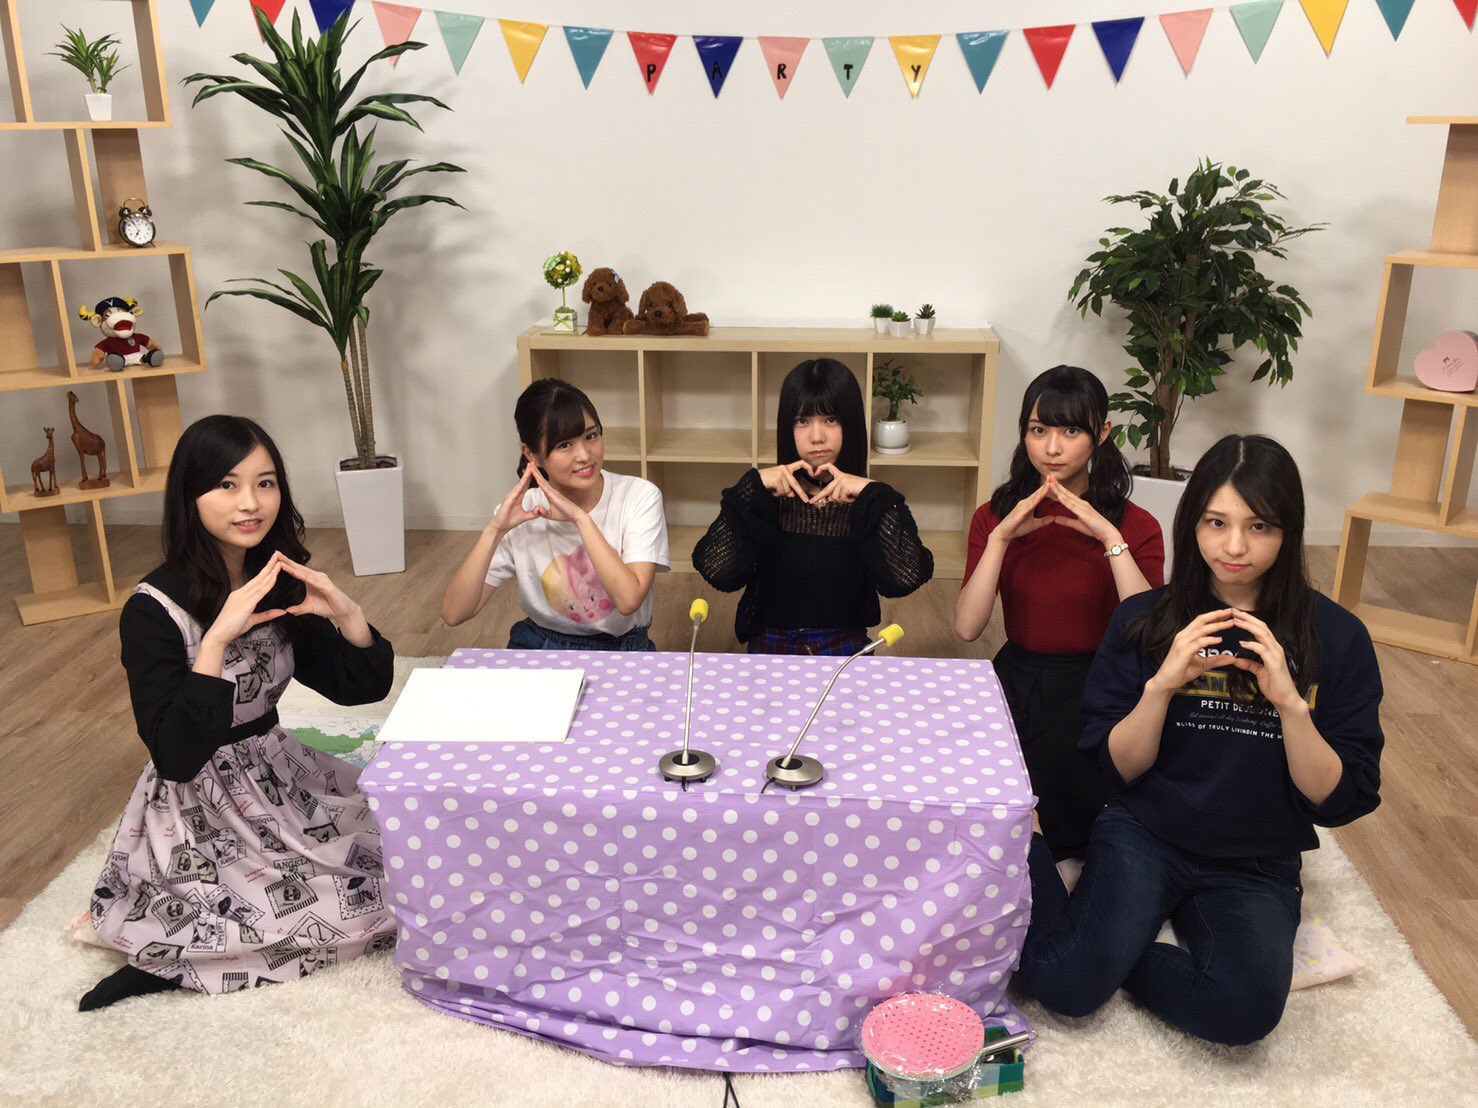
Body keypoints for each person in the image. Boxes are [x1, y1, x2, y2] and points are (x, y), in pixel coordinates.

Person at [1014, 434, 1384, 1045]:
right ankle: (1026, 845)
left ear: (1288, 531)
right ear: (1192, 524)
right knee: (1064, 983)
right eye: (1216, 522)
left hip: (1256, 858)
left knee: (1243, 1014)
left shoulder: (1338, 638)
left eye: (1259, 526)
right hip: (1146, 833)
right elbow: (1118, 768)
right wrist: (1161, 685)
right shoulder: (1142, 620)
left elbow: (1339, 799)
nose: (1234, 547)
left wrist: (1291, 706)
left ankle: (1120, 954)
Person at [81, 416, 396, 1010]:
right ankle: (170, 959)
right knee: (315, 909)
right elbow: (175, 754)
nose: (251, 503)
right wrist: (216, 642)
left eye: (265, 483)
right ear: (190, 495)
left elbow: (359, 689)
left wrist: (348, 616)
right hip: (199, 801)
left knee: (407, 852)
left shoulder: (274, 576)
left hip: (282, 772)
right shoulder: (152, 610)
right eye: (227, 485)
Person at [956, 365, 1163, 857]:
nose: (1052, 448)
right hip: (1020, 676)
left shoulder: (1138, 524)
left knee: (1095, 828)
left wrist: (1111, 539)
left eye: (1071, 431)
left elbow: (1149, 632)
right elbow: (966, 627)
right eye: (1038, 430)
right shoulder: (995, 516)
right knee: (995, 814)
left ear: (1102, 433)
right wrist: (1000, 540)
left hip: (1103, 680)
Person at [693, 358, 932, 654]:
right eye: (802, 420)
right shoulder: (765, 497)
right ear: (787, 427)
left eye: (830, 419)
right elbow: (718, 572)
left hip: (845, 647)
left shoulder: (869, 502)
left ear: (851, 423)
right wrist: (750, 489)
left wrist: (874, 495)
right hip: (771, 645)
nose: (816, 437)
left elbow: (904, 579)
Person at [441, 378, 669, 649]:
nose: (584, 455)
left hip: (622, 646)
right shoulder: (523, 512)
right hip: (540, 643)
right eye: (564, 445)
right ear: (532, 454)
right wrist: (494, 530)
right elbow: (454, 613)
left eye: (591, 436)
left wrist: (580, 519)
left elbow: (629, 600)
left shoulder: (639, 496)